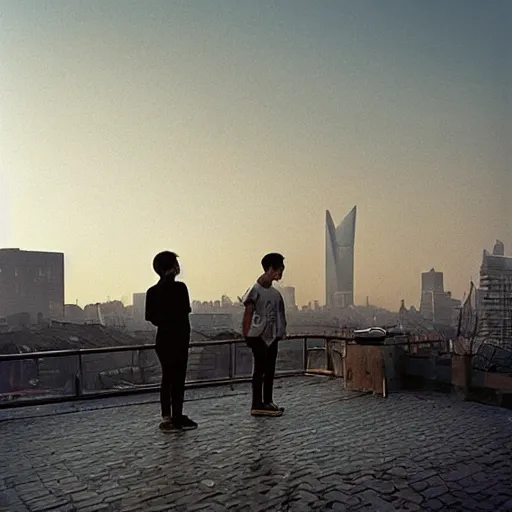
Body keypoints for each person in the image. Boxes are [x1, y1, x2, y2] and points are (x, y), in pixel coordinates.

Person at [145, 251, 198, 431]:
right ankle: (174, 415)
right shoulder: (180, 289)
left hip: (164, 339)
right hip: (179, 338)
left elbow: (151, 317)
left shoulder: (152, 292)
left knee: (168, 377)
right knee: (177, 379)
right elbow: (184, 313)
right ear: (172, 267)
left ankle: (169, 416)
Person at [242, 253, 287, 417]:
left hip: (272, 336)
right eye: (279, 270)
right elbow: (248, 314)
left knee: (270, 370)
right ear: (270, 269)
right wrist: (248, 335)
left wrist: (280, 332)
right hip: (257, 336)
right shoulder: (254, 291)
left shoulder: (276, 294)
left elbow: (280, 315)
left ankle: (267, 400)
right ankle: (257, 403)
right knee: (259, 369)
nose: (280, 274)